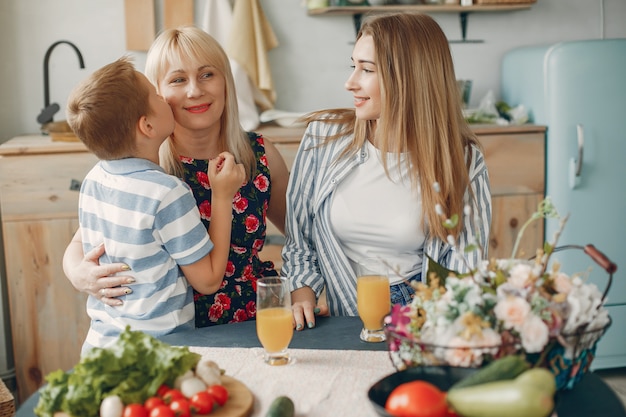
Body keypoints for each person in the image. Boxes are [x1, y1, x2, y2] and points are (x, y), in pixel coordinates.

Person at [63, 26, 290, 327]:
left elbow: (306, 236)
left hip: (259, 319)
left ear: (226, 82)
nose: (195, 90)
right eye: (178, 79)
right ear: (157, 95)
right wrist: (79, 274)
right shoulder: (144, 171)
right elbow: (80, 246)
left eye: (207, 74)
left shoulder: (259, 153)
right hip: (173, 332)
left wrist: (301, 289)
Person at [282, 13, 492, 331]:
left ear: (409, 78)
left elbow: (464, 272)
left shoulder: (461, 162)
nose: (350, 82)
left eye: (367, 70)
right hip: (339, 311)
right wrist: (303, 295)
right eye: (353, 66)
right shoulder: (323, 138)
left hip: (419, 316)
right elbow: (300, 239)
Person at [66, 56, 245, 352]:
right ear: (147, 125)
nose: (163, 97)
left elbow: (80, 244)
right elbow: (209, 281)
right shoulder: (166, 193)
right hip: (158, 353)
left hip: (101, 346)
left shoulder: (95, 178)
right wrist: (222, 196)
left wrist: (75, 272)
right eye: (156, 94)